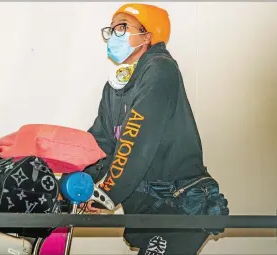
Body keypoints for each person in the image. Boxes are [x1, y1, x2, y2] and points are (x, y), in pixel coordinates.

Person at [82, 3, 230, 255]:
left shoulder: (160, 69)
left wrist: (107, 192)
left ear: (147, 35)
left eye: (122, 27)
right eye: (112, 28)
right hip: (147, 203)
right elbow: (101, 142)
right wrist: (78, 183)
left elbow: (136, 140)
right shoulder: (116, 86)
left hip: (179, 202)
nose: (114, 34)